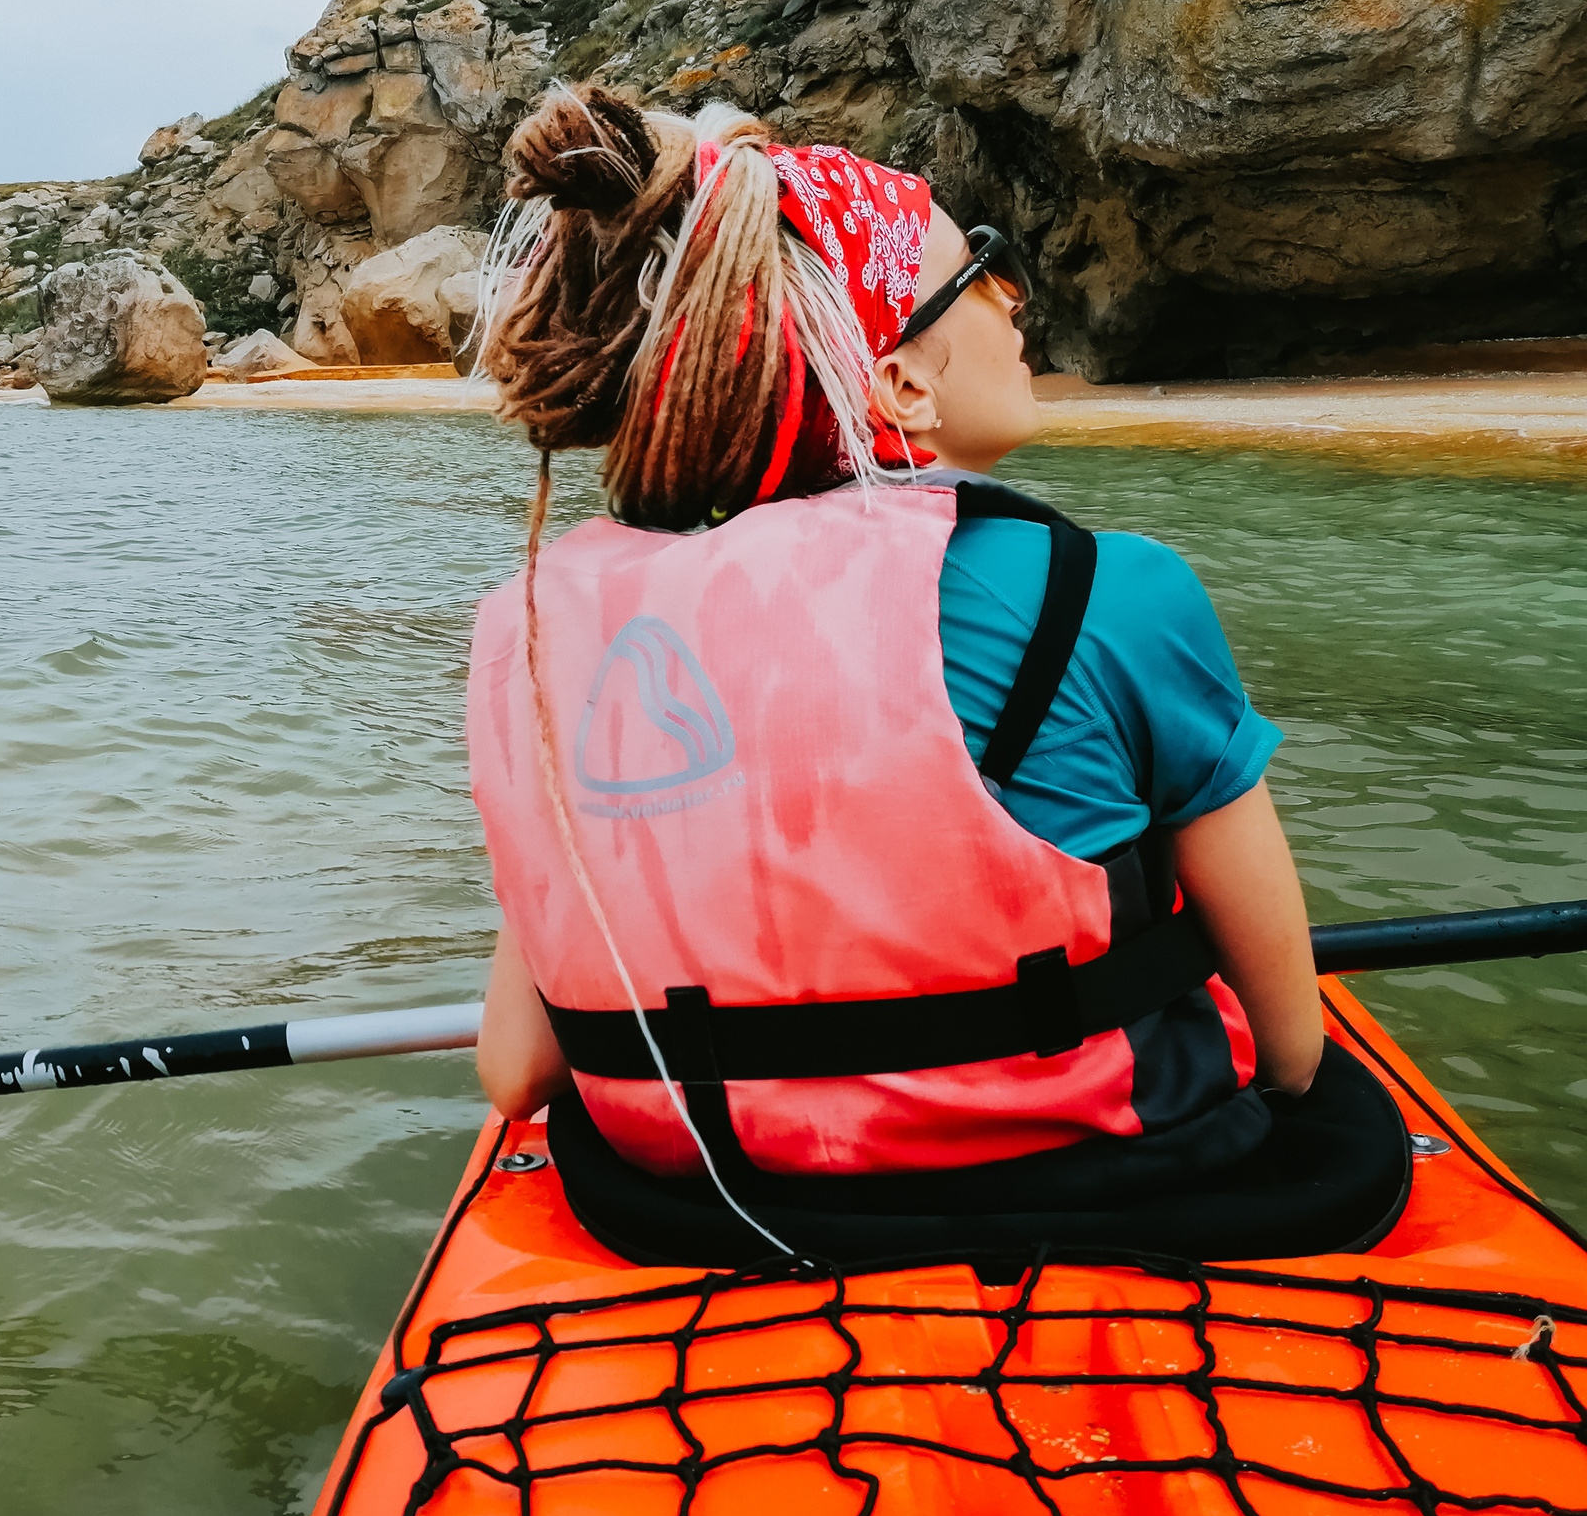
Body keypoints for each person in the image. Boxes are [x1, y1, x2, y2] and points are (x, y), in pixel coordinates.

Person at [462, 88, 1383, 1266]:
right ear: (898, 382)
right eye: (978, 271)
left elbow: (517, 1071)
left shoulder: (541, 635)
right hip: (1109, 1184)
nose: (1012, 297)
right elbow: (1291, 1049)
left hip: (694, 1205)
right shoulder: (1105, 590)